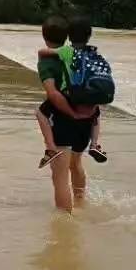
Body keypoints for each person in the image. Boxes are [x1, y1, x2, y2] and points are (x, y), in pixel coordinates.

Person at [35, 15, 100, 214]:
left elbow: (53, 94)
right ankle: (81, 201)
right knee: (76, 163)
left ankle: (66, 224)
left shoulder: (48, 62)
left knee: (60, 175)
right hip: (88, 116)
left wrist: (70, 113)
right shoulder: (88, 56)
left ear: (45, 37)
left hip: (65, 117)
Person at [38, 13, 109, 164]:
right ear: (89, 36)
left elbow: (43, 52)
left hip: (70, 95)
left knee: (40, 113)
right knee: (95, 114)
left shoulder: (67, 51)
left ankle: (51, 149)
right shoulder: (94, 54)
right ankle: (95, 144)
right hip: (91, 97)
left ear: (69, 37)